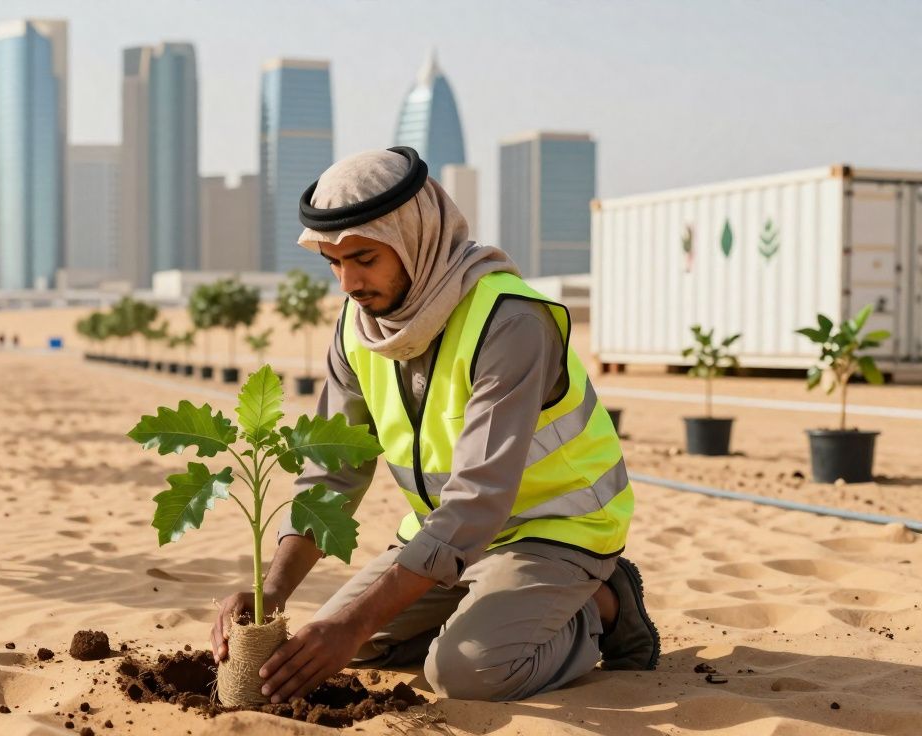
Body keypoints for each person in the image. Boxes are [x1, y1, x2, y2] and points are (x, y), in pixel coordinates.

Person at [210, 147, 658, 703]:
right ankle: (484, 600)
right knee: (338, 646)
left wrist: (350, 626)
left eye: (365, 258)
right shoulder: (359, 327)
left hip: (555, 530)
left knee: (465, 674)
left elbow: (477, 500)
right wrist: (273, 592)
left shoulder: (510, 320)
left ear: (415, 238)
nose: (348, 282)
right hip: (446, 540)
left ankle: (599, 606)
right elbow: (333, 472)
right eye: (332, 262)